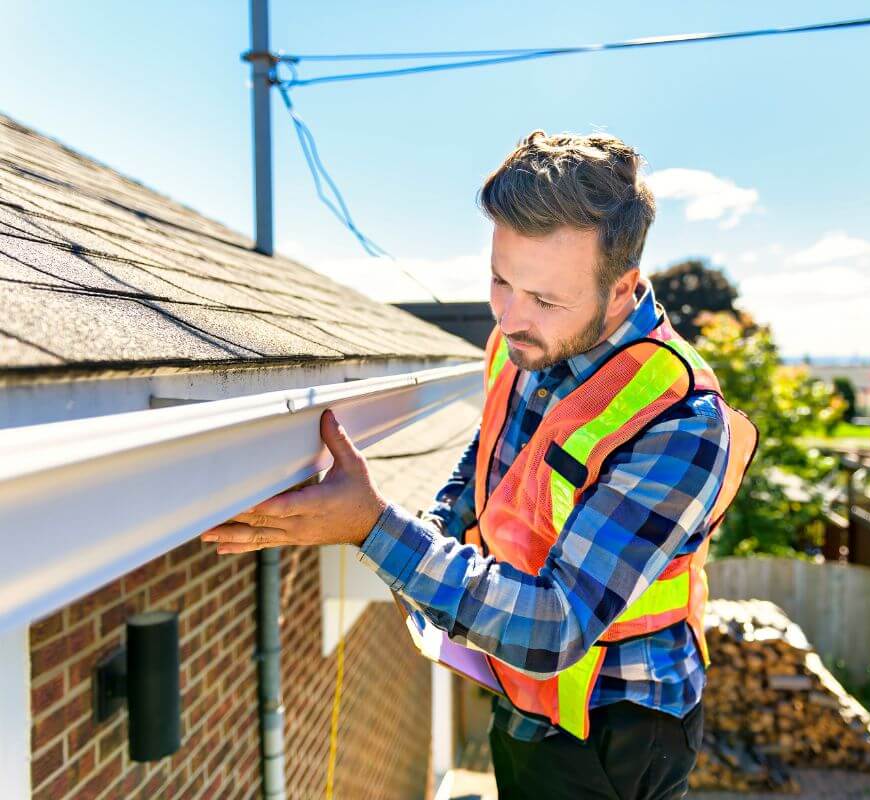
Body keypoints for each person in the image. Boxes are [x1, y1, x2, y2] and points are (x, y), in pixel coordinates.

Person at [202, 130, 757, 800]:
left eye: (545, 299)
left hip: (615, 726)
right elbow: (491, 453)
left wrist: (373, 529)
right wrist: (438, 524)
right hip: (523, 691)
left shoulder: (680, 421)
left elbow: (554, 627)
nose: (511, 316)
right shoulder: (519, 340)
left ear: (622, 290)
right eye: (500, 279)